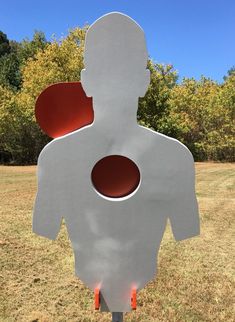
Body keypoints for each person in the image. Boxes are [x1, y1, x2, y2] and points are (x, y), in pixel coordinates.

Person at [33, 12, 199, 313]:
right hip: (105, 276)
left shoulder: (56, 157)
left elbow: (44, 226)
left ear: (86, 81)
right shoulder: (175, 155)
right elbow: (44, 224)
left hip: (132, 276)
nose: (115, 84)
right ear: (145, 82)